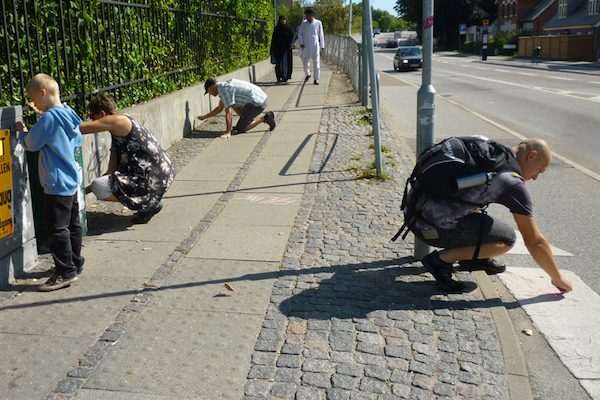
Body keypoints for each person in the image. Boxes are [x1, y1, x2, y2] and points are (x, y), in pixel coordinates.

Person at [407, 137, 573, 293]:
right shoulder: (512, 182)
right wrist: (557, 278)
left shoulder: (489, 151)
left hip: (413, 211)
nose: (536, 177)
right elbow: (534, 242)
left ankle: (474, 257)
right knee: (506, 238)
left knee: (487, 221)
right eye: (540, 170)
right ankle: (441, 261)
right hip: (430, 228)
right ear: (532, 155)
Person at [16, 73, 84, 291]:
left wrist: (22, 133)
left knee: (57, 229)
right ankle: (75, 262)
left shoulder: (48, 119)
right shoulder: (68, 113)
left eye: (34, 99)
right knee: (72, 225)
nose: (34, 103)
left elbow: (32, 143)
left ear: (43, 93)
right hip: (71, 178)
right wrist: (42, 115)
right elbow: (77, 138)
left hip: (55, 181)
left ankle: (66, 271)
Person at [80, 93, 174, 224]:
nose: (91, 120)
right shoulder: (118, 129)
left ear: (102, 113)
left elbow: (80, 129)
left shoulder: (116, 120)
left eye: (92, 116)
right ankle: (148, 203)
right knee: (100, 185)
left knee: (99, 186)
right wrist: (83, 192)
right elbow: (110, 172)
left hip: (153, 175)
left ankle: (147, 204)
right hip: (159, 172)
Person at [198, 78, 276, 139]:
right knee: (237, 111)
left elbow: (228, 112)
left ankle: (265, 118)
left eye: (209, 92)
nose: (210, 94)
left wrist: (228, 132)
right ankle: (247, 119)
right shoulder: (223, 87)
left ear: (212, 87)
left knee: (241, 129)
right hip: (258, 98)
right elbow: (219, 108)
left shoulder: (224, 90)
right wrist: (204, 117)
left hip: (258, 103)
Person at [297, 8, 325, 85]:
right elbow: (300, 34)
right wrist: (301, 42)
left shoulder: (318, 23)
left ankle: (316, 79)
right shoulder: (303, 23)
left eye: (308, 15)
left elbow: (321, 35)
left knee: (316, 62)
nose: (306, 16)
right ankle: (308, 73)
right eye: (306, 15)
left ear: (312, 15)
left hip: (315, 45)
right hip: (305, 46)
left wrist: (322, 45)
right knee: (305, 61)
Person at [270, 15, 295, 83]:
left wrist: (291, 44)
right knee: (278, 65)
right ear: (279, 21)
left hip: (287, 50)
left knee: (286, 64)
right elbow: (273, 39)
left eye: (284, 19)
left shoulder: (289, 29)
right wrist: (272, 49)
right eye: (281, 20)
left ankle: (285, 77)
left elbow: (292, 37)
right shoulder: (277, 29)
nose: (283, 21)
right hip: (278, 50)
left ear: (286, 20)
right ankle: (278, 78)